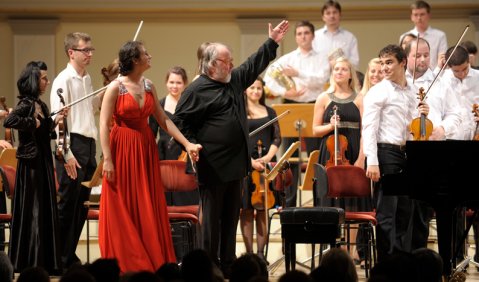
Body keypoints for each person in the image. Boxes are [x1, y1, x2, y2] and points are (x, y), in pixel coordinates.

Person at [173, 20, 289, 278]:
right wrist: (190, 143)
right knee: (211, 221)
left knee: (230, 218)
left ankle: (226, 262)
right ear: (212, 64)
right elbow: (179, 121)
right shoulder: (196, 89)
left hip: (236, 164)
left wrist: (272, 42)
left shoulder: (234, 80)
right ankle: (208, 266)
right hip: (212, 164)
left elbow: (253, 63)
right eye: (227, 61)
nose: (232, 65)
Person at [99, 40, 201, 273]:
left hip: (144, 148)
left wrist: (186, 143)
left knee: (146, 201)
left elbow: (163, 120)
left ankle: (150, 258)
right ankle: (128, 260)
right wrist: (107, 159)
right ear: (135, 60)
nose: (150, 56)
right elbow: (104, 125)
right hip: (122, 147)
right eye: (146, 54)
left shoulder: (149, 85)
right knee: (123, 203)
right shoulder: (115, 87)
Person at [362, 44, 430, 262]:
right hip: (386, 154)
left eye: (389, 62)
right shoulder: (378, 91)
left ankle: (401, 262)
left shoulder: (412, 91)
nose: (384, 67)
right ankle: (386, 266)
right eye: (381, 63)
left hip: (408, 154)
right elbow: (369, 128)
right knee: (387, 215)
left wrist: (423, 115)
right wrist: (372, 161)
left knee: (405, 213)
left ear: (403, 63)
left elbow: (414, 128)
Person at [5, 61, 66, 275]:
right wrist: (33, 123)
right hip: (30, 165)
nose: (47, 82)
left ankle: (45, 261)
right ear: (33, 80)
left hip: (43, 161)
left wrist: (55, 120)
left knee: (44, 209)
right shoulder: (28, 104)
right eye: (43, 78)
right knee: (34, 210)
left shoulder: (42, 105)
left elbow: (45, 133)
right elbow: (10, 121)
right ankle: (31, 261)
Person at [264, 20, 329, 207]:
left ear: (313, 36)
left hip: (314, 105)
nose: (303, 36)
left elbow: (321, 79)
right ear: (295, 37)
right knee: (289, 156)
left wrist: (298, 73)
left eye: (306, 33)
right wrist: (285, 92)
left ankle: (319, 201)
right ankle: (289, 203)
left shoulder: (321, 58)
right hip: (292, 106)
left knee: (315, 155)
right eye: (299, 34)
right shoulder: (288, 58)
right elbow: (269, 77)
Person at [404, 38, 461, 252]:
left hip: (432, 153)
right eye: (417, 55)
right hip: (404, 151)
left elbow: (456, 114)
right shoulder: (400, 82)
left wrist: (442, 129)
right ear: (406, 57)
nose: (422, 59)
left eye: (426, 55)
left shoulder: (441, 81)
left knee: (423, 211)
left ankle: (421, 260)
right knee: (404, 210)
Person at [50, 32, 101, 269]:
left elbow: (90, 109)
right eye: (85, 50)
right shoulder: (63, 80)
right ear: (72, 52)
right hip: (73, 146)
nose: (90, 54)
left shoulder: (87, 78)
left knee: (82, 205)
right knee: (67, 205)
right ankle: (57, 258)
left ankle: (69, 255)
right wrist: (66, 154)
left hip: (88, 146)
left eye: (91, 49)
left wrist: (107, 91)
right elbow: (58, 122)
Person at [312, 57, 370, 261]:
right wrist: (330, 126)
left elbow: (366, 131)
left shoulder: (360, 99)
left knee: (353, 201)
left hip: (352, 152)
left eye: (344, 69)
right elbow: (315, 130)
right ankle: (335, 249)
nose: (339, 72)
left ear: (350, 74)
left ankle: (353, 249)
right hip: (330, 152)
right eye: (336, 69)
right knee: (331, 200)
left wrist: (361, 157)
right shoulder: (323, 98)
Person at [240, 77, 281, 264]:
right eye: (252, 88)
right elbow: (237, 140)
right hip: (245, 166)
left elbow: (276, 139)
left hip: (266, 166)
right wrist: (250, 161)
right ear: (245, 91)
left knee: (264, 209)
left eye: (259, 88)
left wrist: (267, 158)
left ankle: (261, 254)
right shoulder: (240, 112)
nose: (256, 91)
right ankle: (249, 254)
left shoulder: (270, 111)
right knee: (247, 210)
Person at [148, 66, 199, 206]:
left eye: (178, 83)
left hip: (184, 152)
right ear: (166, 83)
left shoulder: (190, 104)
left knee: (186, 195)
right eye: (171, 82)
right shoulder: (159, 105)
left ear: (185, 84)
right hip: (164, 153)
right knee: (165, 196)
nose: (174, 86)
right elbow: (151, 133)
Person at [399, 0, 447, 69]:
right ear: (411, 17)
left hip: (434, 75)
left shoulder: (440, 35)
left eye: (422, 14)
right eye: (416, 15)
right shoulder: (405, 37)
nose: (419, 18)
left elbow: (442, 59)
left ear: (429, 15)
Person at [312, 0, 360, 69]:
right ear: (323, 17)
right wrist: (327, 65)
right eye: (328, 13)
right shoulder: (315, 37)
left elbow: (355, 63)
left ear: (340, 15)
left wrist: (339, 63)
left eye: (334, 12)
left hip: (343, 77)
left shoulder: (350, 37)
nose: (332, 16)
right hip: (320, 78)